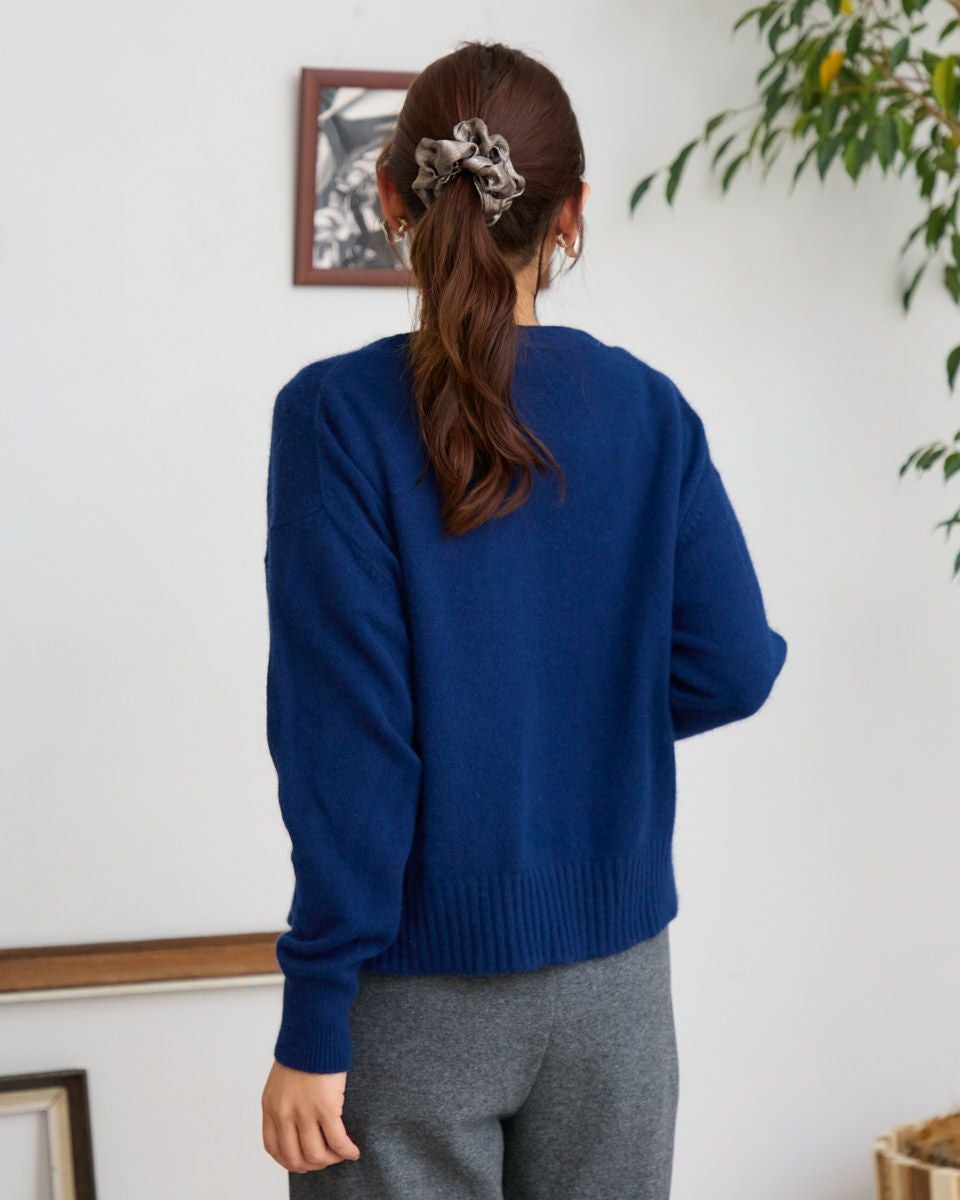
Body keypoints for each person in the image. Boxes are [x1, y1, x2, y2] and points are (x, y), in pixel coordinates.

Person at [260, 38, 788, 1200]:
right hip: (617, 990)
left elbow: (347, 747)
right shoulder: (648, 409)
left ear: (390, 197)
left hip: (410, 996)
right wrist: (577, 713)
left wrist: (313, 1014)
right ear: (573, 214)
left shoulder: (334, 419)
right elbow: (736, 667)